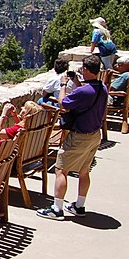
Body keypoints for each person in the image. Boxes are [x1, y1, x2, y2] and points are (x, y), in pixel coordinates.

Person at [37, 55, 107, 221]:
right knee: (84, 171)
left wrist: (63, 85)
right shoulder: (102, 88)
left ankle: (57, 208)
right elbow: (85, 93)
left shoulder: (84, 91)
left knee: (61, 169)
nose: (81, 70)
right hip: (95, 135)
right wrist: (76, 82)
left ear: (87, 70)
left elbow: (63, 104)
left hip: (79, 136)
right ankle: (79, 206)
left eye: (83, 68)